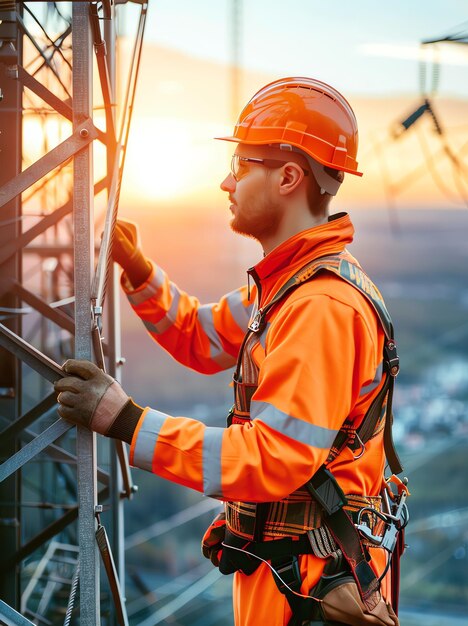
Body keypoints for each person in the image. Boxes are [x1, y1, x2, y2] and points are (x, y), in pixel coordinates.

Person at [55, 77, 407, 626]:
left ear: (289, 177)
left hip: (309, 593)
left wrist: (123, 419)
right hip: (294, 580)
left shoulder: (320, 307)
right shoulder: (285, 288)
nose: (226, 181)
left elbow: (269, 458)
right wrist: (140, 270)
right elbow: (200, 336)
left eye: (242, 166)